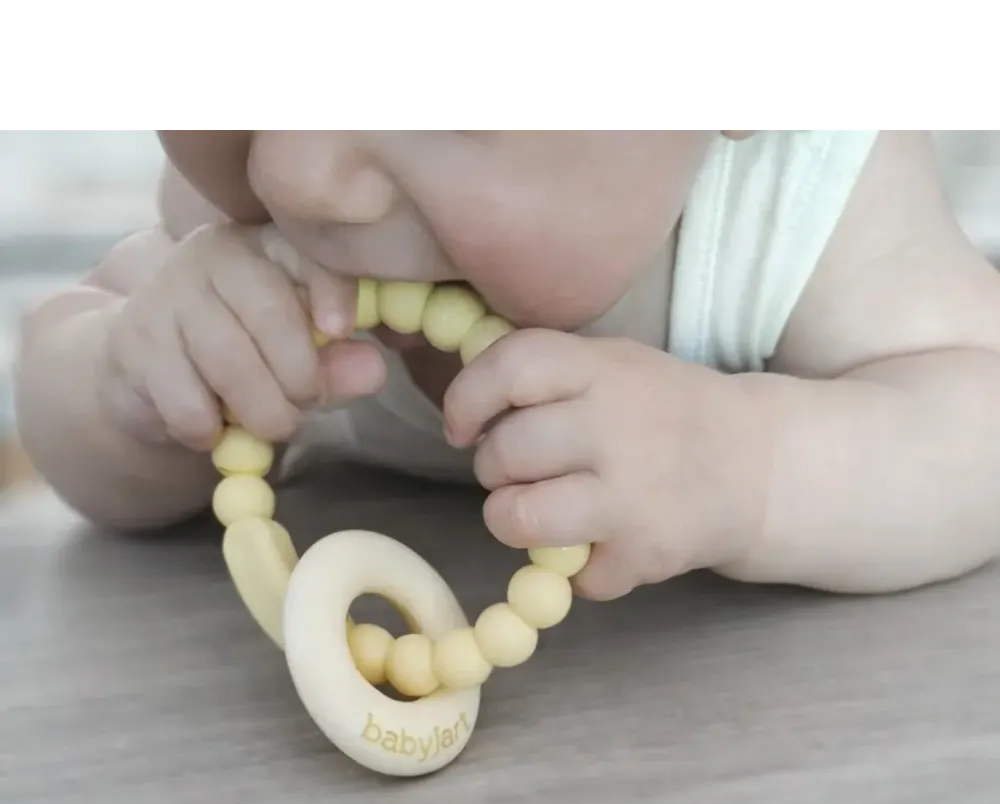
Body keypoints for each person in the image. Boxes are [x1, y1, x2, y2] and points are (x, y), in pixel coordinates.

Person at [15, 128, 1000, 601]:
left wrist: (749, 466)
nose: (297, 174)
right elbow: (65, 389)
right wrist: (133, 387)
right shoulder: (238, 209)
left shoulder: (805, 200)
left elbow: (976, 413)